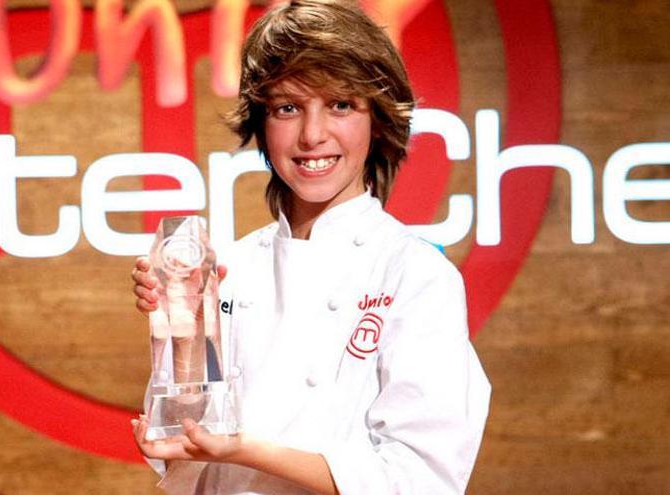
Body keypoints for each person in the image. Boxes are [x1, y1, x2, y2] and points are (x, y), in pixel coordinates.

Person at [130, 0, 491, 493]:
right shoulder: (227, 269)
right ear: (261, 124)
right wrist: (186, 334)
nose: (312, 135)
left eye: (341, 104)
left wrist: (246, 448)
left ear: (378, 120)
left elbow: (420, 481)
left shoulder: (415, 274)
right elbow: (182, 462)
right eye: (288, 108)